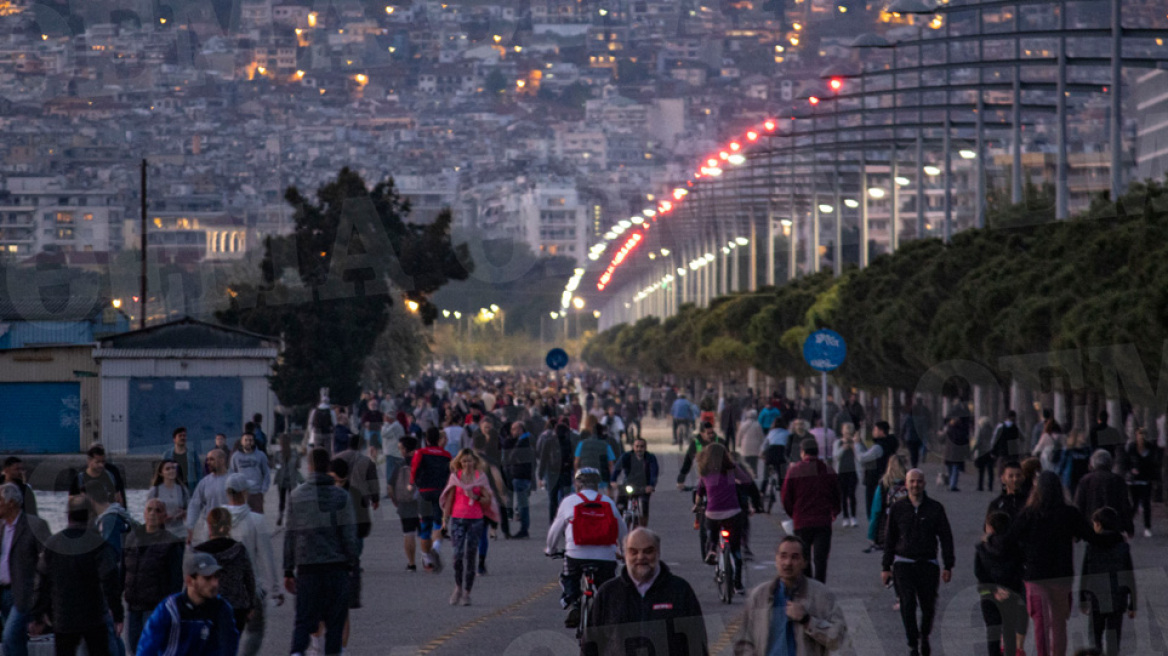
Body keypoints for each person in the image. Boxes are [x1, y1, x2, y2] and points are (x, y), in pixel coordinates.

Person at [1005, 471, 1098, 656]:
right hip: (1062, 575)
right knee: (1058, 623)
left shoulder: (1029, 514)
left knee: (1040, 622)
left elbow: (1010, 539)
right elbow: (1091, 536)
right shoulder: (1070, 513)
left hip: (1035, 574)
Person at [583, 528, 708, 656]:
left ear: (658, 552)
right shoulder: (608, 594)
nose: (641, 557)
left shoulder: (680, 590)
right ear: (624, 555)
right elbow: (591, 646)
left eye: (648, 551)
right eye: (634, 552)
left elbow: (697, 643)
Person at [283, 448, 359, 656]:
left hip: (307, 569)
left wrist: (288, 570)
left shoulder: (297, 496)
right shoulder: (341, 496)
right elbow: (349, 536)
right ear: (328, 467)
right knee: (334, 625)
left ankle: (297, 652)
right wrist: (351, 565)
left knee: (303, 621)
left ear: (309, 466)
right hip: (336, 568)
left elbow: (290, 535)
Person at [29, 496, 122, 656]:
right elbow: (109, 577)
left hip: (63, 615)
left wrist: (38, 615)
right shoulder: (98, 544)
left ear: (68, 515)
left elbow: (41, 582)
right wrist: (117, 613)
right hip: (93, 615)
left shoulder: (53, 544)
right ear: (89, 515)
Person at [881, 469, 955, 656]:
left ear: (924, 483)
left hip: (927, 563)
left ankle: (925, 634)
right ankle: (912, 642)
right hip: (903, 563)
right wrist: (885, 567)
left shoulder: (935, 508)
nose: (915, 485)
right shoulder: (898, 508)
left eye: (919, 481)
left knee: (928, 605)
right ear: (906, 484)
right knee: (907, 603)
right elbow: (890, 538)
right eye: (912, 481)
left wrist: (948, 565)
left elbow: (946, 537)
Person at [735, 536, 848, 656]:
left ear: (805, 562)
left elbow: (837, 639)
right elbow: (743, 642)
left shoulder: (821, 595)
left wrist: (807, 620)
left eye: (795, 557)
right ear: (776, 559)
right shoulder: (759, 596)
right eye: (783, 556)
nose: (788, 563)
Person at [546, 467, 627, 629]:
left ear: (577, 484)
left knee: (568, 577)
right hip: (605, 556)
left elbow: (555, 531)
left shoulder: (569, 502)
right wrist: (624, 552)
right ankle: (609, 613)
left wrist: (551, 549)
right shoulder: (608, 502)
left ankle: (574, 603)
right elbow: (622, 530)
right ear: (597, 484)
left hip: (576, 554)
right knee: (608, 586)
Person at [219, 475, 283, 656]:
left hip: (222, 587)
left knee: (226, 633)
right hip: (250, 587)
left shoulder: (217, 518)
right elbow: (266, 557)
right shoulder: (256, 520)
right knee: (255, 631)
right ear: (244, 493)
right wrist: (275, 589)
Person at [135, 552, 241, 656]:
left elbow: (228, 647)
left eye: (216, 577)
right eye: (207, 578)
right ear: (189, 581)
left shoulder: (222, 608)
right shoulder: (169, 609)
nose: (215, 583)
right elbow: (147, 646)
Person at [122, 498, 184, 654]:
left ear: (165, 516)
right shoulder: (132, 537)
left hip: (155, 606)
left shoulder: (171, 542)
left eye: (158, 510)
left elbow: (176, 579)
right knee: (134, 648)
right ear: (144, 513)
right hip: (133, 605)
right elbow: (123, 570)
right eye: (149, 509)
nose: (152, 514)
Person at [439, 449, 499, 606]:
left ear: (475, 462)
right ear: (459, 462)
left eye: (470, 461)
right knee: (457, 555)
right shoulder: (455, 478)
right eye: (464, 461)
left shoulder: (481, 478)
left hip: (476, 519)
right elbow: (449, 500)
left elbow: (487, 499)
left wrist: (476, 497)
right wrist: (445, 520)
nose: (467, 464)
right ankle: (458, 587)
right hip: (458, 519)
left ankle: (467, 593)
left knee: (471, 555)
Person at [1079, 507, 1136, 656]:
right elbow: (1129, 575)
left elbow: (1085, 574)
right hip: (1117, 599)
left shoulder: (1092, 546)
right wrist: (1132, 604)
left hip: (1096, 598)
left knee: (1095, 637)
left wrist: (1082, 598)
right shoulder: (1122, 547)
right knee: (1113, 639)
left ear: (1098, 524)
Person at [695, 442, 752, 593]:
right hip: (733, 513)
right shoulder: (731, 470)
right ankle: (738, 585)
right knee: (735, 549)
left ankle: (712, 549)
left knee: (712, 534)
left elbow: (699, 493)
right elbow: (747, 481)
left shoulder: (705, 473)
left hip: (712, 514)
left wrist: (696, 506)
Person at [0, 484, 50, 656]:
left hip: (23, 593)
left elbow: (47, 561)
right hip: (3, 591)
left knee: (8, 636)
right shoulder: (1, 527)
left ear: (11, 503)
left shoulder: (35, 525)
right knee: (17, 639)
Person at [781, 438, 840, 583]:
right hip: (823, 521)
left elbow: (785, 496)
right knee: (821, 559)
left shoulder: (794, 470)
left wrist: (793, 513)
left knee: (803, 558)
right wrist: (835, 511)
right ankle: (820, 587)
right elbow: (837, 493)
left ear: (802, 452)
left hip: (802, 521)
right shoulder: (828, 469)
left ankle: (806, 588)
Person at [975, 511, 1028, 656]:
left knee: (993, 631)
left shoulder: (981, 548)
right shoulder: (1016, 547)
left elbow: (979, 572)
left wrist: (993, 589)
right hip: (1010, 592)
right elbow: (1019, 571)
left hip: (987, 593)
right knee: (1009, 630)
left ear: (990, 528)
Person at [194, 508, 256, 632]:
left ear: (209, 525)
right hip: (236, 607)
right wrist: (251, 605)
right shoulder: (239, 549)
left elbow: (192, 583)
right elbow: (249, 578)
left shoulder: (199, 552)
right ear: (229, 526)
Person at [410, 428, 452, 571]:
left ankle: (427, 559)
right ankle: (436, 548)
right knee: (438, 523)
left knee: (425, 525)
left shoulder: (421, 452)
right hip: (440, 492)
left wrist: (412, 483)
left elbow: (414, 469)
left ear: (426, 440)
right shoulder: (447, 455)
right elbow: (450, 474)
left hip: (424, 492)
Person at [1074, 450, 1134, 538]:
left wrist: (1077, 531)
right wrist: (1129, 527)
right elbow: (1125, 506)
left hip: (1093, 526)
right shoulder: (1118, 480)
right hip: (1113, 526)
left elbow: (1079, 505)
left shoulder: (1085, 480)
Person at [387, 435, 422, 572]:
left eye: (401, 448)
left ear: (406, 450)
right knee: (425, 533)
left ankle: (411, 563)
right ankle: (427, 560)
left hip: (405, 503)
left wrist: (395, 500)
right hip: (421, 502)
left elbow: (390, 487)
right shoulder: (421, 463)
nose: (400, 451)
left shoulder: (399, 465)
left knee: (408, 533)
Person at [612, 437, 658, 526]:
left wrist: (651, 485)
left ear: (645, 448)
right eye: (637, 446)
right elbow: (617, 468)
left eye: (641, 447)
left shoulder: (650, 457)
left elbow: (654, 472)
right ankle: (617, 526)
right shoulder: (626, 456)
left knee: (644, 507)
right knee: (619, 506)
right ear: (633, 447)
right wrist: (613, 480)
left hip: (644, 486)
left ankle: (643, 529)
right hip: (628, 485)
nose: (639, 449)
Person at [501, 421, 535, 539]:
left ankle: (524, 529)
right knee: (522, 504)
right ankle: (524, 528)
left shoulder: (522, 442)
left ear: (520, 429)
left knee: (522, 505)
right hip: (523, 474)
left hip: (520, 475)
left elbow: (512, 457)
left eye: (514, 429)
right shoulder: (526, 440)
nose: (512, 432)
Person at [1122, 427, 1158, 537]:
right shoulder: (1132, 448)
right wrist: (1131, 470)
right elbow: (1126, 462)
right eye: (1139, 435)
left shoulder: (1150, 448)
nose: (1141, 437)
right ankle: (1128, 527)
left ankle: (1147, 527)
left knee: (1146, 504)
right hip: (1134, 481)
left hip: (1146, 480)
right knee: (1134, 504)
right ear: (1136, 436)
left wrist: (1154, 478)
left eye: (1143, 435)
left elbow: (1153, 464)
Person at [187, 450, 231, 538]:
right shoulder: (204, 482)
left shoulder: (233, 479)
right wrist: (190, 526)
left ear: (222, 460)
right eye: (207, 460)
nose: (208, 462)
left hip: (231, 527)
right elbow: (195, 505)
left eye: (212, 459)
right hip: (210, 529)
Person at [859, 421, 899, 517]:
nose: (873, 432)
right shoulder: (889, 444)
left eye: (875, 429)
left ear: (881, 431)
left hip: (873, 479)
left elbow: (862, 458)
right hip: (885, 478)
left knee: (873, 508)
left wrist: (856, 445)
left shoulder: (879, 447)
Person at [538, 422, 575, 524]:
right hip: (565, 472)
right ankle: (565, 521)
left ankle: (553, 522)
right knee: (566, 499)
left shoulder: (548, 442)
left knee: (552, 499)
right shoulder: (568, 442)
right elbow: (572, 460)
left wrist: (540, 476)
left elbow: (543, 459)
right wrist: (573, 473)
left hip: (552, 473)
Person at [147, 459, 190, 538]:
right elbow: (148, 512)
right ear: (161, 473)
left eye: (173, 468)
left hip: (181, 531)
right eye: (167, 469)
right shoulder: (155, 491)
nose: (171, 471)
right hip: (161, 531)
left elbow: (190, 509)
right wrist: (162, 518)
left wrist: (183, 513)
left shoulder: (183, 489)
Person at [229, 433, 271, 513]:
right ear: (241, 442)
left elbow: (266, 473)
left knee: (257, 519)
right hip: (241, 494)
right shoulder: (235, 457)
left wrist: (263, 490)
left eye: (251, 440)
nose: (248, 442)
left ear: (254, 442)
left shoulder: (261, 455)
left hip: (256, 493)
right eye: (246, 440)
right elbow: (231, 474)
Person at [677, 422, 722, 489]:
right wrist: (680, 480)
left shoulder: (720, 442)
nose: (711, 435)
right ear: (701, 433)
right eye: (708, 433)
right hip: (703, 474)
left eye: (712, 432)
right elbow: (688, 462)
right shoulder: (695, 443)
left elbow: (730, 460)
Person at [832, 424, 860, 528]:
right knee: (843, 495)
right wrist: (843, 448)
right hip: (841, 472)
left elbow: (860, 456)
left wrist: (854, 446)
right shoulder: (838, 443)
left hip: (853, 471)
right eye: (846, 432)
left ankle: (853, 517)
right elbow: (835, 456)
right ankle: (845, 517)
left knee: (852, 494)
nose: (848, 435)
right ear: (842, 432)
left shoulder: (855, 443)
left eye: (850, 433)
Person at [273, 434, 303, 527]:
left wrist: (278, 466)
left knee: (282, 500)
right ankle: (291, 518)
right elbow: (298, 465)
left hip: (282, 479)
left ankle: (281, 516)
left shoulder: (278, 454)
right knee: (292, 500)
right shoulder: (294, 452)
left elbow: (275, 465)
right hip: (291, 479)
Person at [163, 427, 203, 494]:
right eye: (180, 436)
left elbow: (198, 471)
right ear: (174, 439)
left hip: (190, 486)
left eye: (184, 435)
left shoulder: (192, 453)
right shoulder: (167, 455)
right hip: (174, 485)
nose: (182, 438)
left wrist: (199, 486)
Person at [939, 415, 970, 491]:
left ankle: (951, 484)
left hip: (948, 451)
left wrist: (940, 434)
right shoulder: (962, 429)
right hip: (957, 452)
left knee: (950, 468)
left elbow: (941, 440)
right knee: (955, 468)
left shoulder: (948, 429)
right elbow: (964, 441)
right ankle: (953, 484)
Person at [760, 416, 790, 495]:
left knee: (765, 476)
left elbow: (765, 445)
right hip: (780, 453)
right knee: (781, 475)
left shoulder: (771, 432)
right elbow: (789, 446)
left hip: (770, 453)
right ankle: (783, 491)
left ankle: (762, 492)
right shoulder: (787, 433)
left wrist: (762, 454)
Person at [737, 410, 765, 479]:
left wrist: (738, 443)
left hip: (745, 446)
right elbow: (761, 436)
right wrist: (762, 444)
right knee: (754, 462)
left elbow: (739, 435)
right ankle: (755, 474)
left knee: (746, 463)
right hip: (755, 447)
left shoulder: (743, 424)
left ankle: (747, 475)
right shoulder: (757, 425)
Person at [972, 417, 996, 492]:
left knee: (981, 471)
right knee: (990, 470)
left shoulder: (981, 430)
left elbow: (978, 441)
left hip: (982, 452)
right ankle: (990, 486)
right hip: (990, 452)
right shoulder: (992, 430)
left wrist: (973, 450)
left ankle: (980, 486)